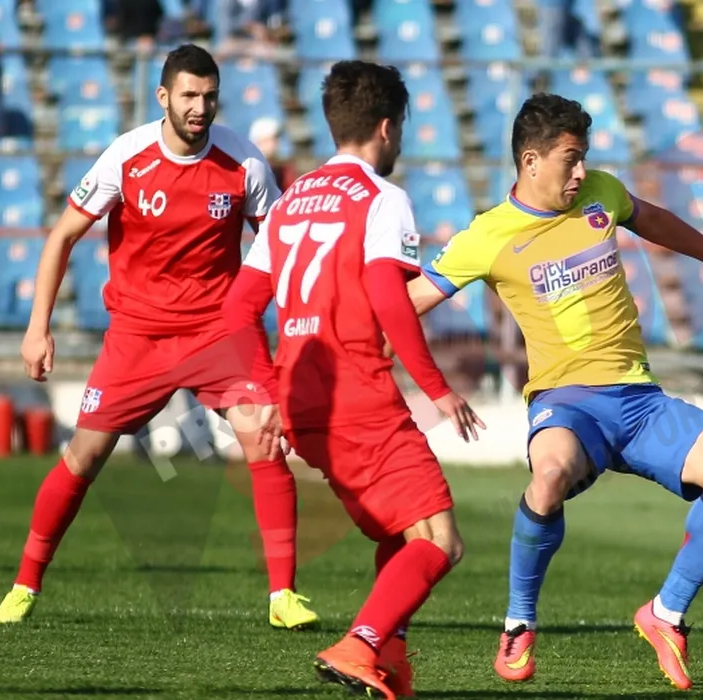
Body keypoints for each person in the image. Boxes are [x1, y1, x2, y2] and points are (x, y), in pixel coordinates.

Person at [403, 93, 703, 691]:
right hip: (566, 401)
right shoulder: (488, 235)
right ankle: (519, 622)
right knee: (550, 475)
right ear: (531, 161)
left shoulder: (601, 193)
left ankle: (665, 614)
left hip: (640, 401)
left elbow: (651, 218)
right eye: (570, 159)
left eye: (584, 158)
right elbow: (407, 305)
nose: (581, 172)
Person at [0, 44, 317, 631]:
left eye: (209, 96)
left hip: (219, 331)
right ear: (163, 96)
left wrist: (292, 330)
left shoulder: (244, 162)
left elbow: (281, 249)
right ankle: (25, 584)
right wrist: (38, 328)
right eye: (189, 95)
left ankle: (283, 596)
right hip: (138, 335)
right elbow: (62, 236)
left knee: (264, 444)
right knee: (84, 456)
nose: (200, 107)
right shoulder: (127, 156)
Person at [228, 59, 484, 700]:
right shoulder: (381, 198)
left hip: (301, 401)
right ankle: (359, 644)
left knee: (403, 535)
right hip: (358, 395)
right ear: (388, 127)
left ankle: (389, 661)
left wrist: (264, 391)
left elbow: (237, 310)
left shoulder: (289, 202)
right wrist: (437, 388)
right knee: (440, 540)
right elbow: (389, 300)